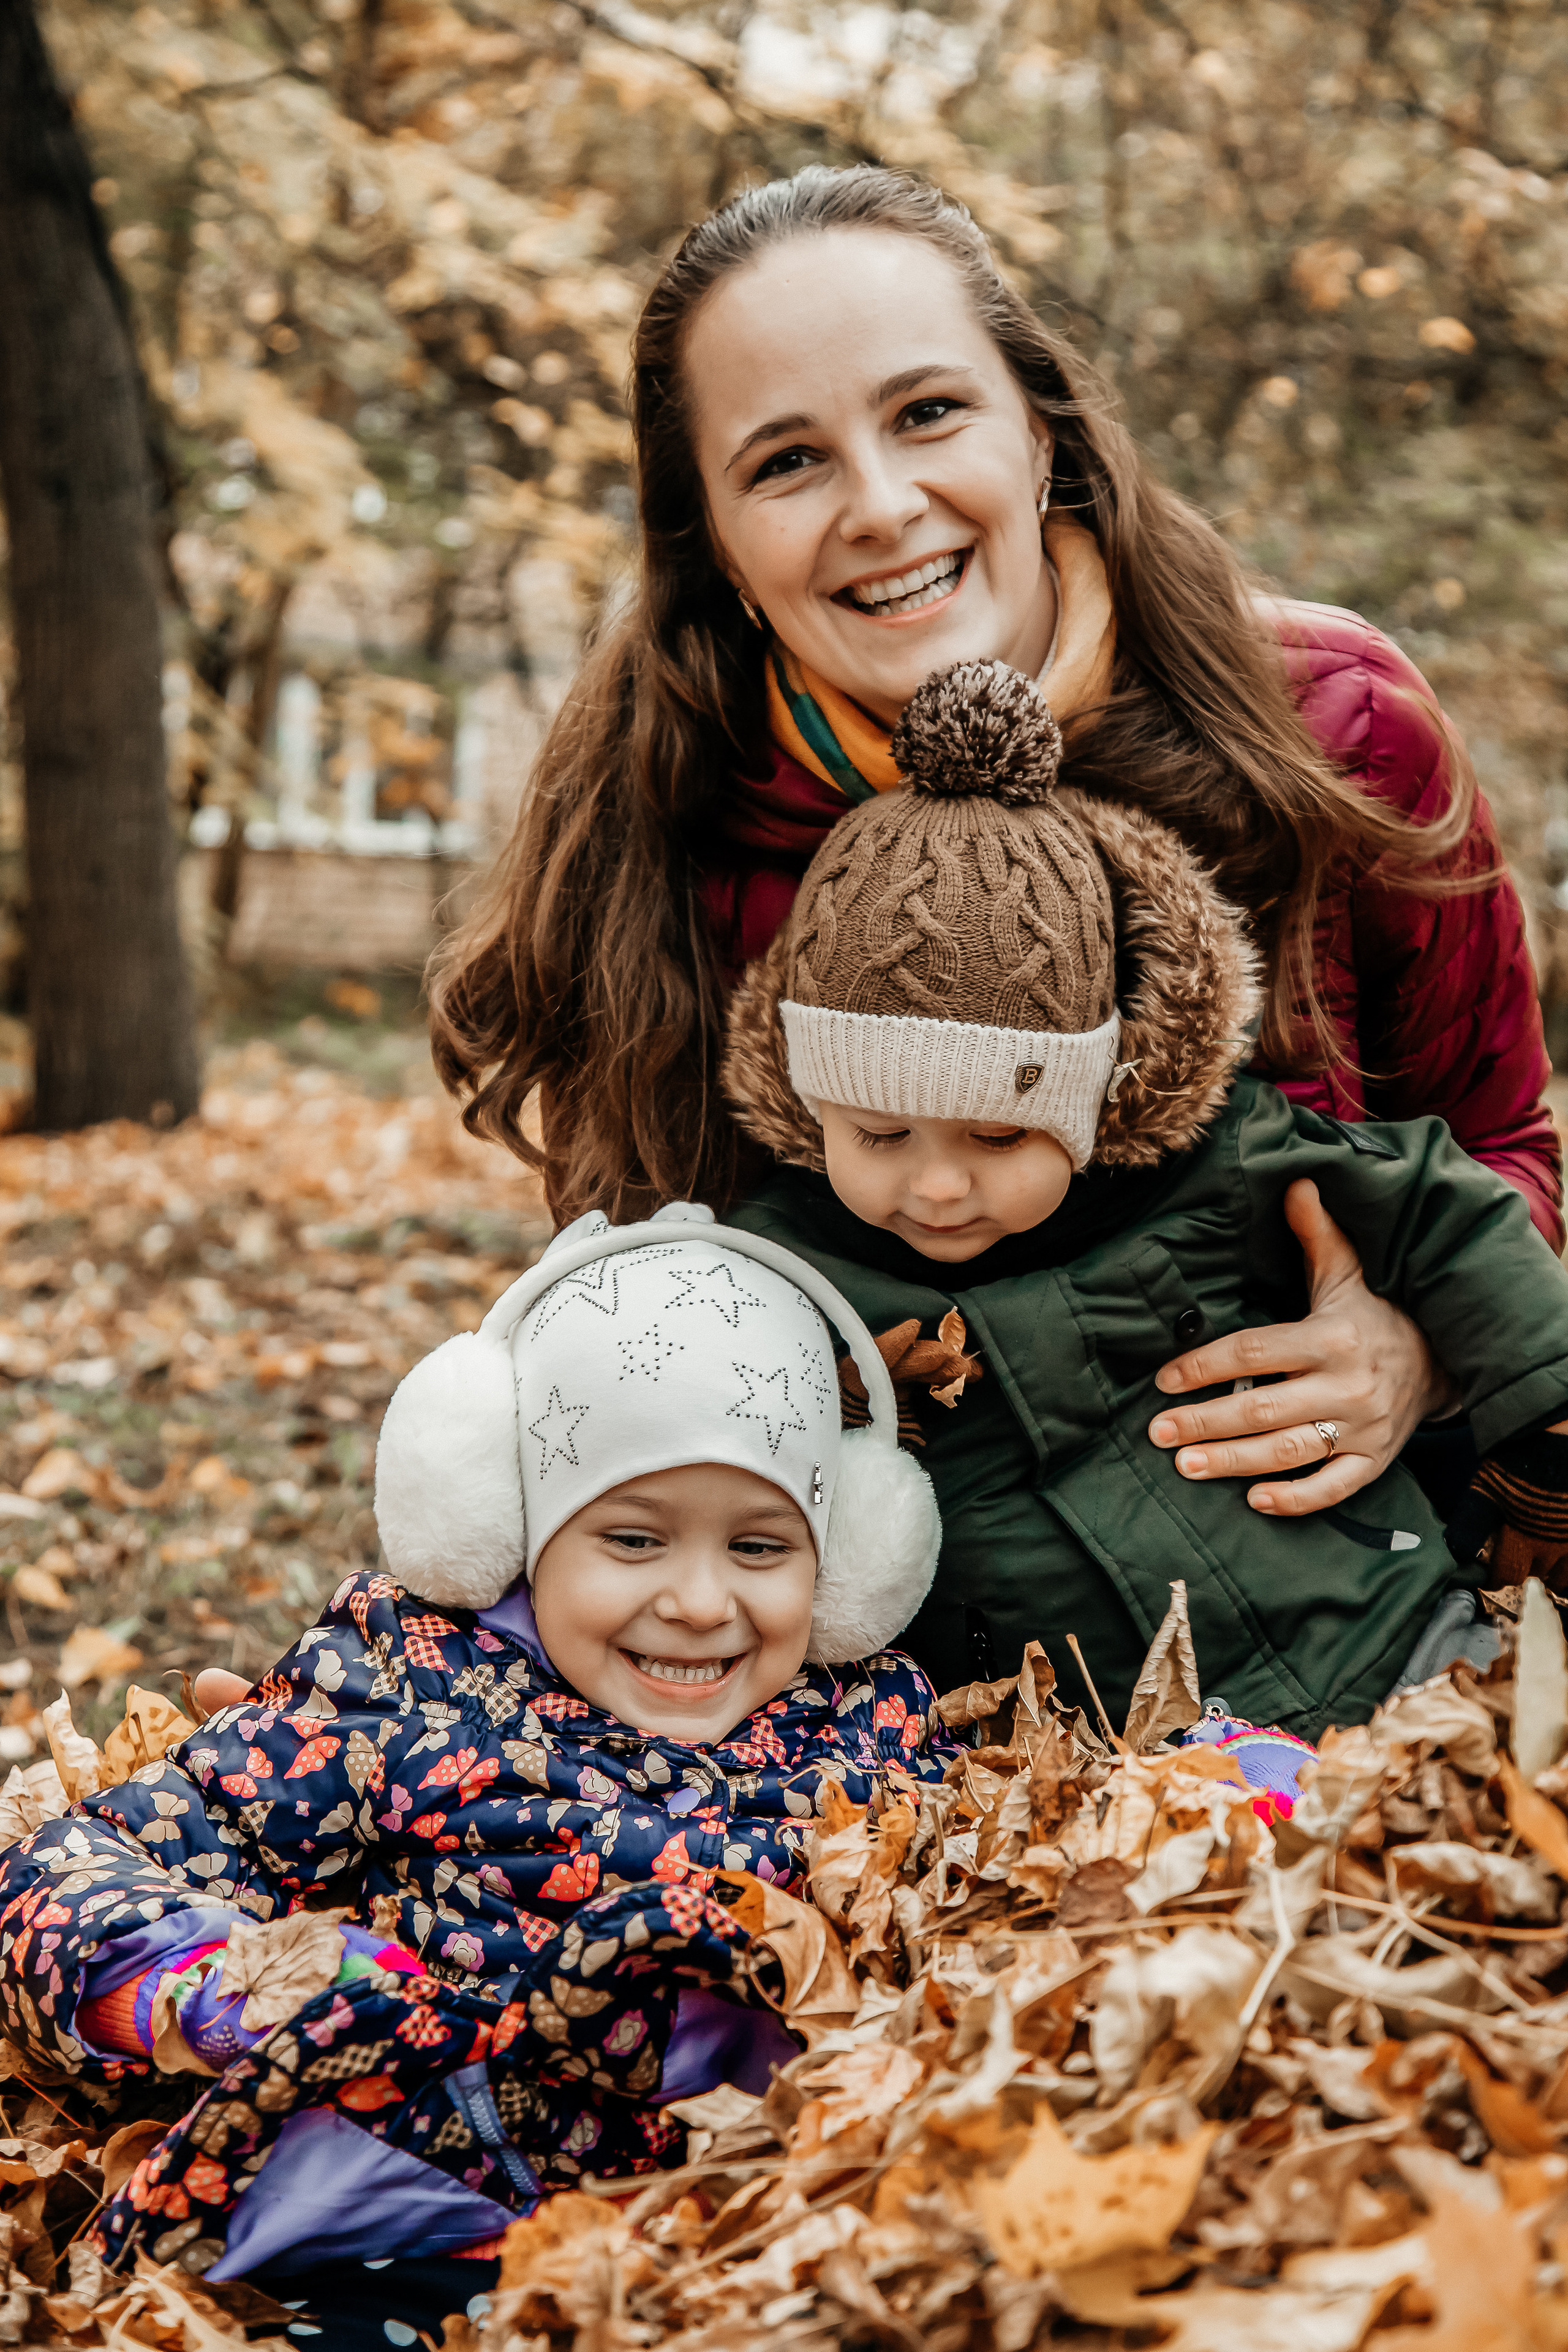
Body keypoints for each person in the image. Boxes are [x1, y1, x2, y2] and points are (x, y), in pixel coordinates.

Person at [426, 162, 1561, 1542]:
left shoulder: (1328, 724)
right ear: (715, 545)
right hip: (872, 1632)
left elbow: (1502, 1144)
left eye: (927, 413)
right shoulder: (658, 811)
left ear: (1039, 437)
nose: (881, 503)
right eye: (784, 462)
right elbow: (638, 1324)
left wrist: (1413, 1346)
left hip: (1332, 1586)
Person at [0, 1210, 947, 2349]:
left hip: (758, 2231)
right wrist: (204, 1984)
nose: (702, 1602)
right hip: (435, 2219)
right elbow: (78, 1864)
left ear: (846, 1563)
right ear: (511, 1529)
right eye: (634, 1540)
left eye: (759, 1547)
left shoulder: (870, 1725)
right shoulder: (409, 1684)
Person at [721, 656, 1568, 1720]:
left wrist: (1545, 1425)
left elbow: (1447, 1211)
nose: (936, 1184)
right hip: (1083, 1750)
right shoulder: (781, 1271)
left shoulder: (1217, 1167)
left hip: (1386, 1636)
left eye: (997, 1133)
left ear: (1089, 1100)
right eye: (878, 1132)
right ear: (812, 1112)